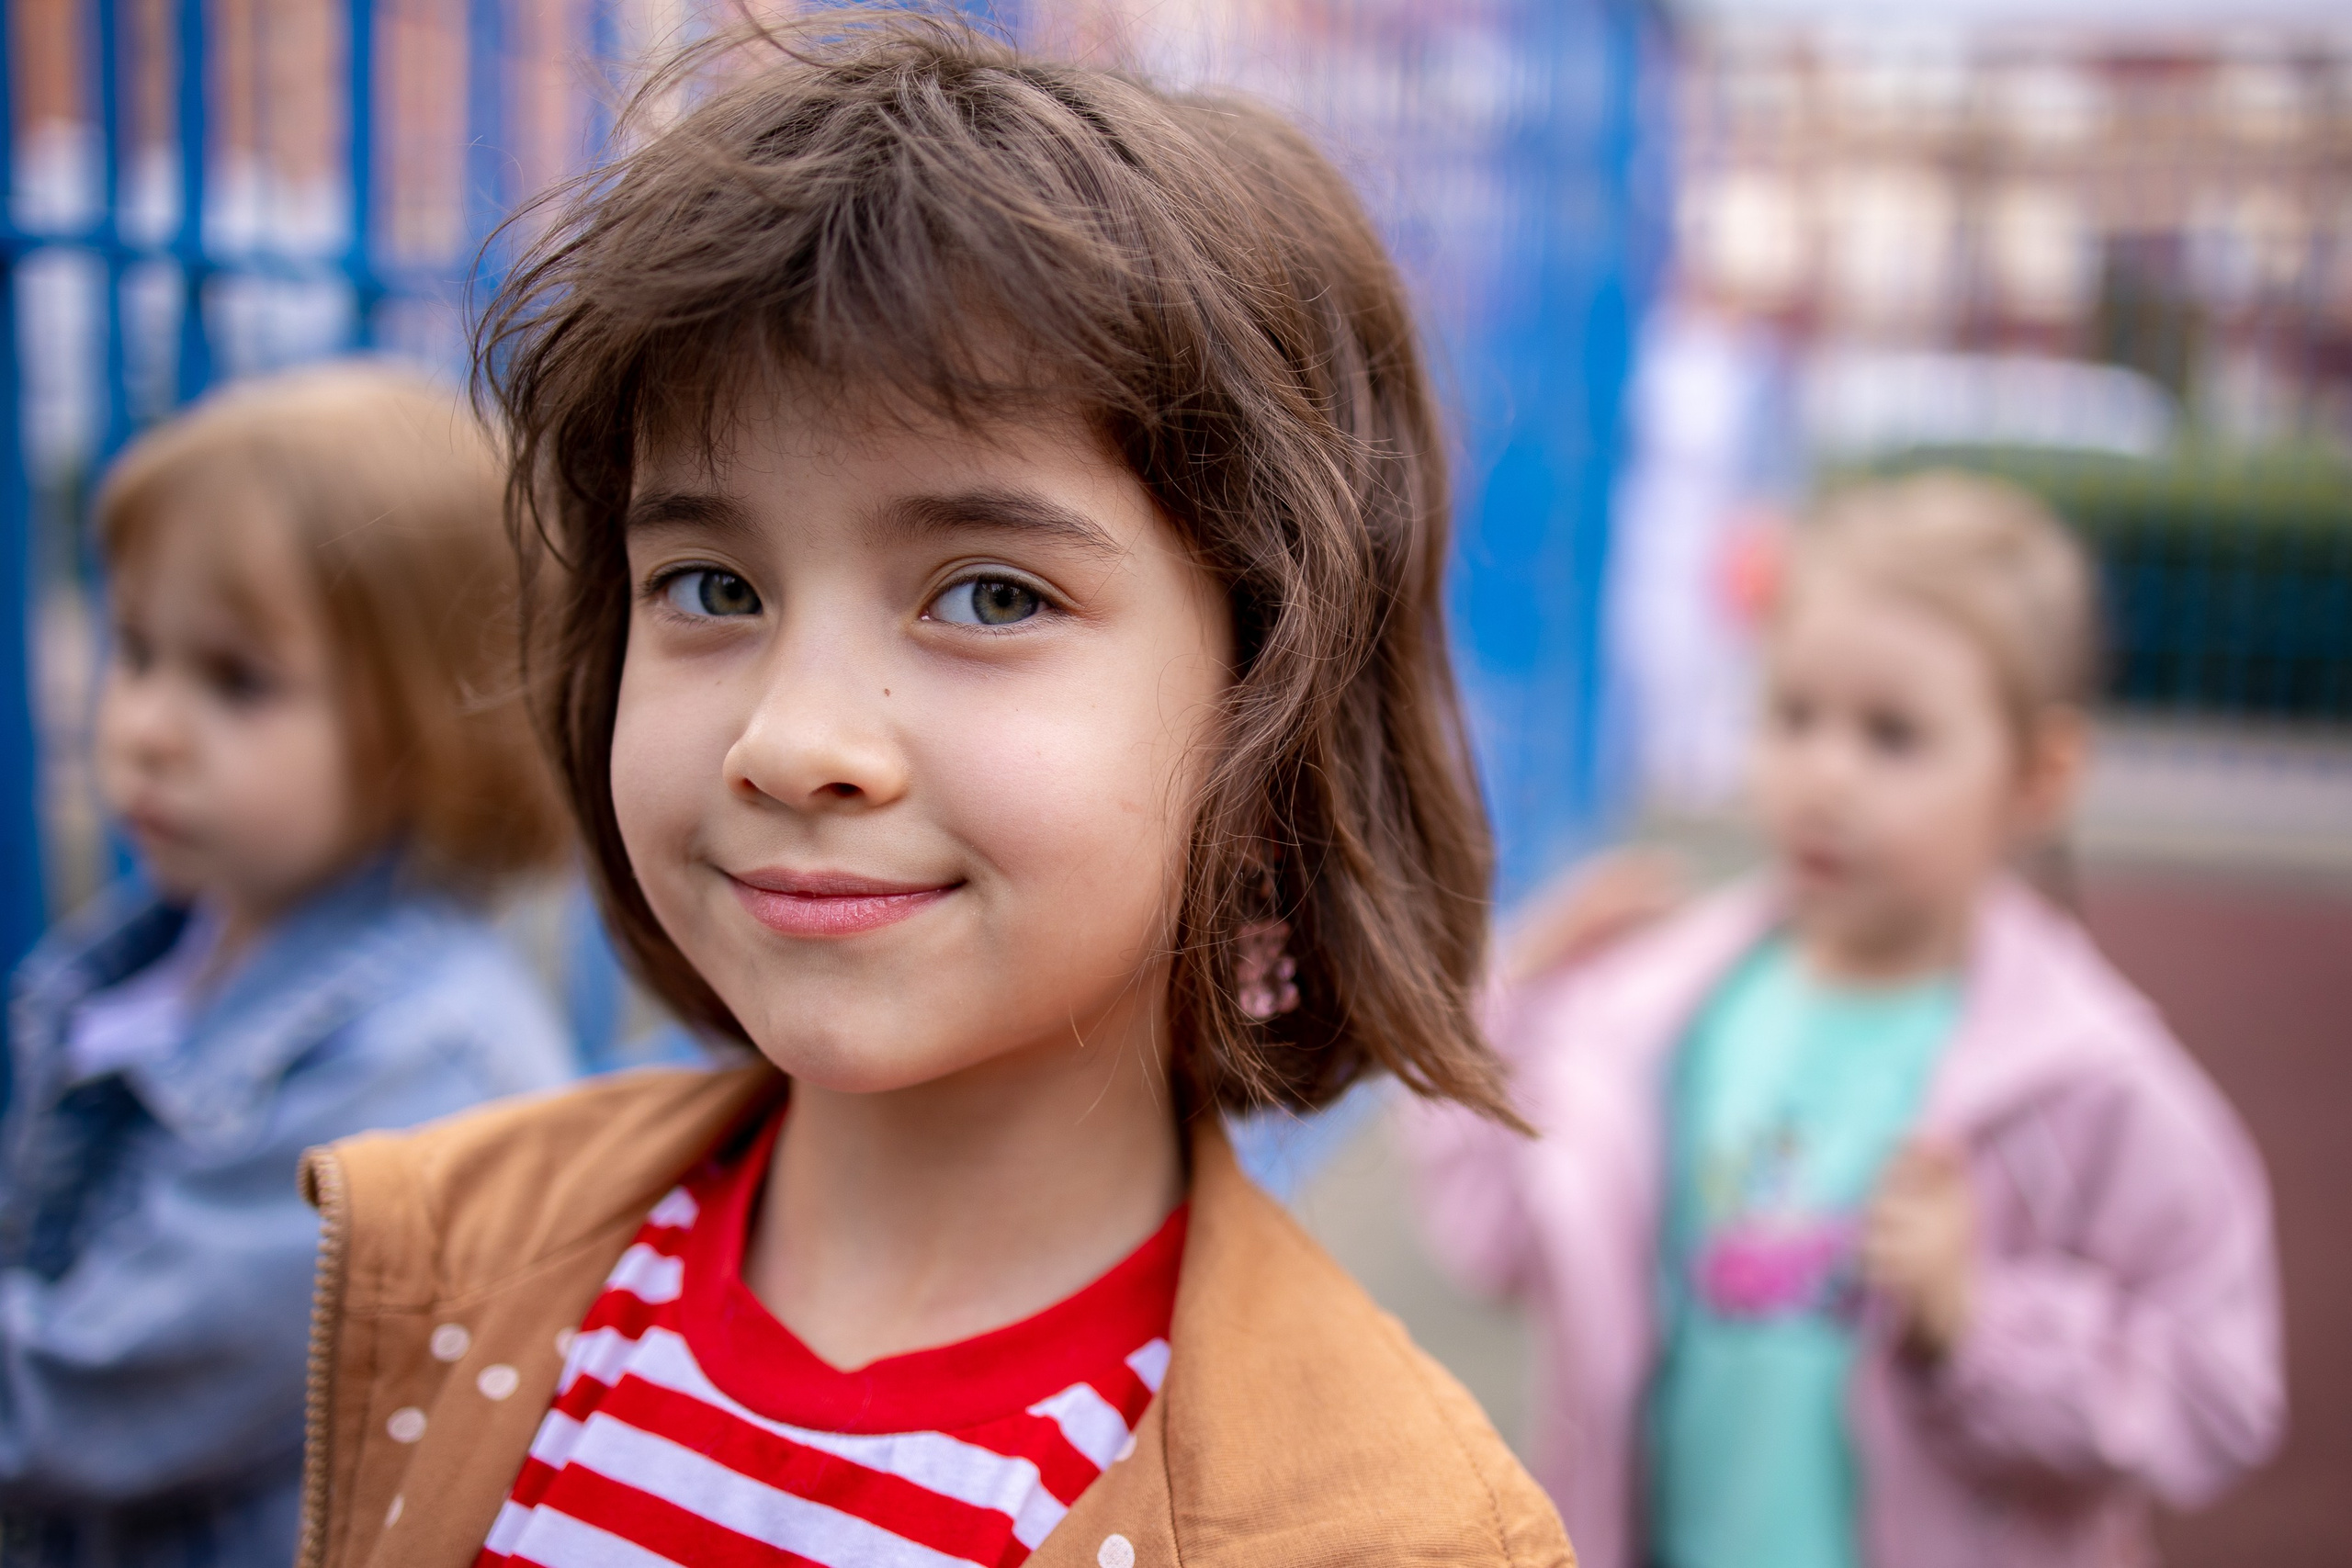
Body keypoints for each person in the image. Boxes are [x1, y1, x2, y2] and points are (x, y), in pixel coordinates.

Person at [295, 17, 1569, 1568]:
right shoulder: (456, 1266)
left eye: (987, 598)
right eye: (710, 582)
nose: (793, 736)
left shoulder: (1372, 1525)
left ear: (1272, 702)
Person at [1415, 471, 2288, 1568]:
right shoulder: (1656, 1016)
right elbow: (1489, 1238)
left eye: (1891, 735)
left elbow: (2217, 1392)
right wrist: (1510, 1006)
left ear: (2037, 774)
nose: (1823, 776)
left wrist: (1979, 1326)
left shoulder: (2085, 1078)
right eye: (1793, 716)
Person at [0, 364, 579, 1567]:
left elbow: (96, 1391)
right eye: (137, 648)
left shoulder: (414, 1059)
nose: (146, 723)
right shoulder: (159, 946)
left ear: (429, 719)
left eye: (235, 680)